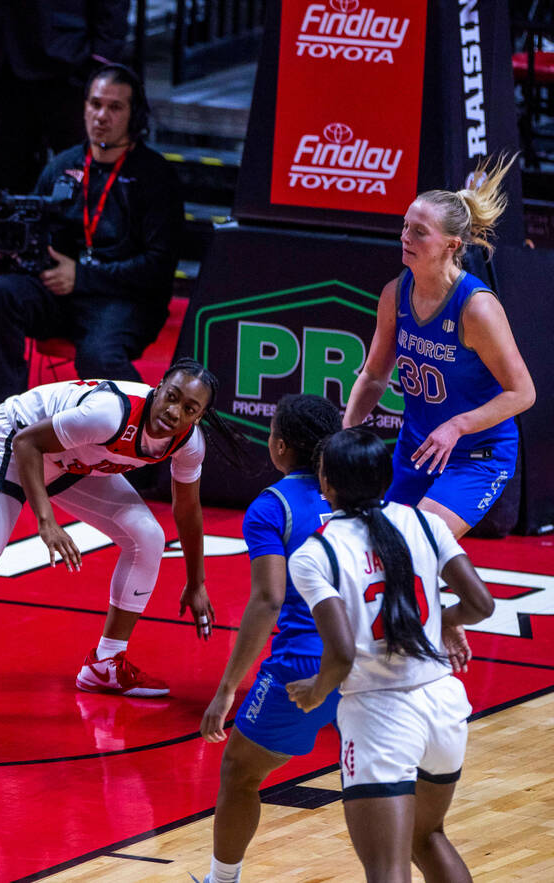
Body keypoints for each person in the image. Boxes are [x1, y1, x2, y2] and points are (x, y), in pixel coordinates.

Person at [0, 359, 245, 721]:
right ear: (158, 387)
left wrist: (196, 583)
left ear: (199, 417)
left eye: (188, 409)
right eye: (171, 397)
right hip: (12, 437)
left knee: (148, 536)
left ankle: (105, 665)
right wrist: (46, 520)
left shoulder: (189, 445)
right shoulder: (110, 412)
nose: (173, 411)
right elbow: (27, 443)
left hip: (72, 458)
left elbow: (187, 513)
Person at [285, 428, 495, 882]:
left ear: (327, 483)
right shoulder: (426, 523)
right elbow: (481, 604)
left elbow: (340, 653)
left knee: (387, 870)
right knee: (428, 837)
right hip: (443, 705)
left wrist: (315, 690)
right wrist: (442, 620)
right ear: (385, 478)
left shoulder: (315, 552)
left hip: (381, 714)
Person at [343, 155, 535, 542]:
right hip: (418, 447)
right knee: (381, 548)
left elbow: (523, 393)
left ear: (452, 244)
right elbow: (374, 374)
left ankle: (470, 605)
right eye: (404, 227)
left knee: (414, 543)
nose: (404, 237)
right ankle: (460, 602)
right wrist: (345, 431)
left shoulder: (477, 308)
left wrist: (457, 425)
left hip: (476, 454)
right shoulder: (395, 293)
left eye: (418, 232)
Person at [196, 394, 342, 883]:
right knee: (381, 789)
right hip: (372, 660)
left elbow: (267, 601)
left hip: (305, 662)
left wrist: (225, 691)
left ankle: (223, 880)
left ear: (279, 445)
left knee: (240, 772)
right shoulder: (362, 496)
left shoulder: (271, 506)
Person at [0, 63, 185, 406]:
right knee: (0, 294)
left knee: (97, 358)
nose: (101, 116)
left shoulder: (156, 177)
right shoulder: (62, 165)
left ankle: (149, 431)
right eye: (95, 104)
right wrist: (8, 251)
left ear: (135, 116)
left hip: (125, 300)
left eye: (114, 107)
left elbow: (158, 267)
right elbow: (39, 239)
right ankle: (8, 414)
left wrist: (83, 276)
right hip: (63, 293)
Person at [0, 0, 128, 223]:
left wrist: (104, 53)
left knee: (79, 171)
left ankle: (82, 250)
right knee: (0, 174)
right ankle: (3, 249)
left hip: (67, 56)